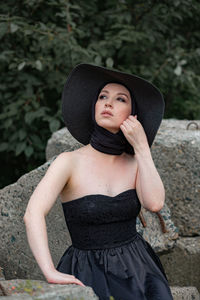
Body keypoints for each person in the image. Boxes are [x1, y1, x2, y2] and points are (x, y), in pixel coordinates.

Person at [24, 63, 173, 300]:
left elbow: (154, 204)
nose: (108, 103)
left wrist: (142, 147)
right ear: (94, 106)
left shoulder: (135, 163)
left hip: (139, 270)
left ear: (132, 115)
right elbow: (33, 213)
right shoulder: (68, 162)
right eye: (102, 96)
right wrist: (49, 271)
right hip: (87, 271)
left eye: (120, 99)